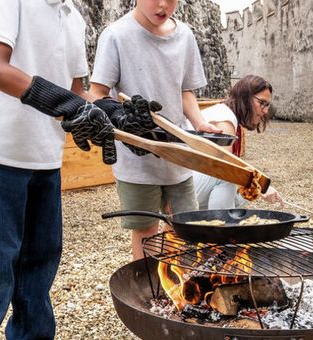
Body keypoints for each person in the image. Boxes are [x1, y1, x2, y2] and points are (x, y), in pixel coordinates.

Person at [0, 1, 156, 338]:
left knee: (40, 264)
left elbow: (76, 92)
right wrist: (64, 103)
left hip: (45, 156)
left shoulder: (73, 17)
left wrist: (114, 115)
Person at [89, 0, 223, 260]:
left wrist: (198, 122)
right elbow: (97, 94)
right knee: (146, 231)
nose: (163, 5)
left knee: (185, 228)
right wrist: (119, 117)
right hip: (135, 158)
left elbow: (185, 91)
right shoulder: (117, 35)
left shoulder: (185, 35)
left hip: (178, 155)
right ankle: (147, 292)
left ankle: (182, 291)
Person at [191, 75, 283, 210]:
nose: (265, 111)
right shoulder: (225, 119)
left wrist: (257, 187)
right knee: (228, 175)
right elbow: (227, 168)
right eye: (262, 103)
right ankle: (221, 227)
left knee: (242, 195)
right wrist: (262, 186)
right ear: (245, 99)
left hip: (192, 183)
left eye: (267, 105)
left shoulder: (227, 114)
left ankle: (219, 224)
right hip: (180, 188)